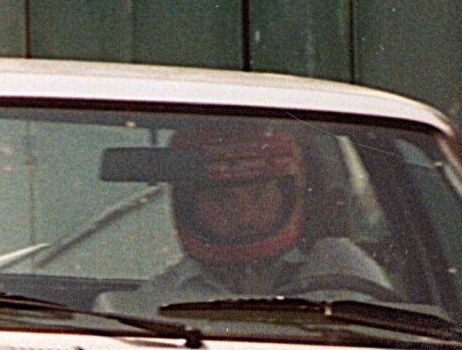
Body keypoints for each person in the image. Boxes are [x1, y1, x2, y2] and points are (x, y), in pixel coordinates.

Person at [133, 121, 391, 306]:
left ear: (292, 193)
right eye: (221, 197)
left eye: (259, 194)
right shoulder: (161, 296)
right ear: (188, 205)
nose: (243, 216)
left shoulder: (343, 269)